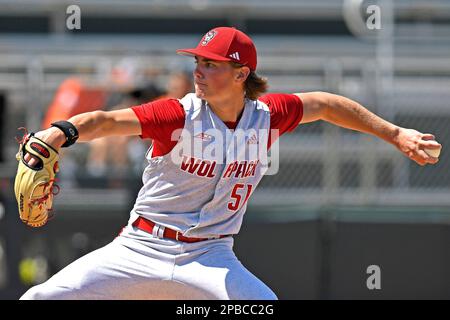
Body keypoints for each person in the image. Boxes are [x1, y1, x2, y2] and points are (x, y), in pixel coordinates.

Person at [19, 26, 441, 300]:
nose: (198, 72)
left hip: (210, 256)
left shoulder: (268, 115)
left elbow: (326, 104)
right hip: (139, 248)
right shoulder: (178, 115)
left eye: (211, 64)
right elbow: (106, 121)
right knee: (40, 298)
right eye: (198, 62)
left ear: (241, 75)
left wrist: (395, 133)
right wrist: (59, 133)